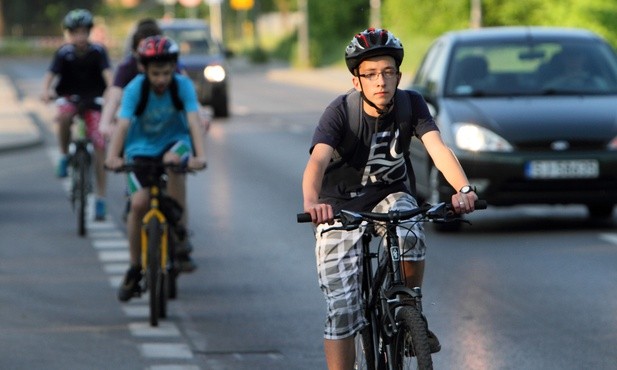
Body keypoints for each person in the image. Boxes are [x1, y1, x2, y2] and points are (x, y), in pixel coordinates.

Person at [301, 28, 479, 370]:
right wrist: (312, 203)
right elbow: (317, 162)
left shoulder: (411, 103)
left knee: (410, 223)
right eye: (370, 75)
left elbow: (438, 150)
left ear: (398, 75)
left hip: (389, 194)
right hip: (339, 208)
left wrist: (464, 189)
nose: (381, 81)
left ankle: (409, 307)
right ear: (357, 82)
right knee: (342, 311)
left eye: (388, 72)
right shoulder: (339, 112)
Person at [105, 35, 207, 302]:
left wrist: (200, 155)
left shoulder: (182, 86)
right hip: (139, 149)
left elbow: (194, 121)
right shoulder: (135, 89)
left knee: (175, 163)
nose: (161, 79)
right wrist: (112, 156)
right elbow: (123, 125)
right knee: (138, 204)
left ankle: (179, 231)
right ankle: (135, 267)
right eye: (155, 73)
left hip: (176, 143)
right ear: (143, 70)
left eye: (166, 72)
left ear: (174, 68)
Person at [41, 8, 113, 221]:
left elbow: (109, 76)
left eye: (83, 32)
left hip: (94, 99)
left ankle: (100, 198)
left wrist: (110, 91)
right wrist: (46, 91)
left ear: (89, 32)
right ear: (68, 34)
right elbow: (50, 75)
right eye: (75, 32)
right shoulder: (64, 53)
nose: (79, 37)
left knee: (99, 143)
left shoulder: (98, 52)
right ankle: (64, 155)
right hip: (70, 97)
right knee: (63, 117)